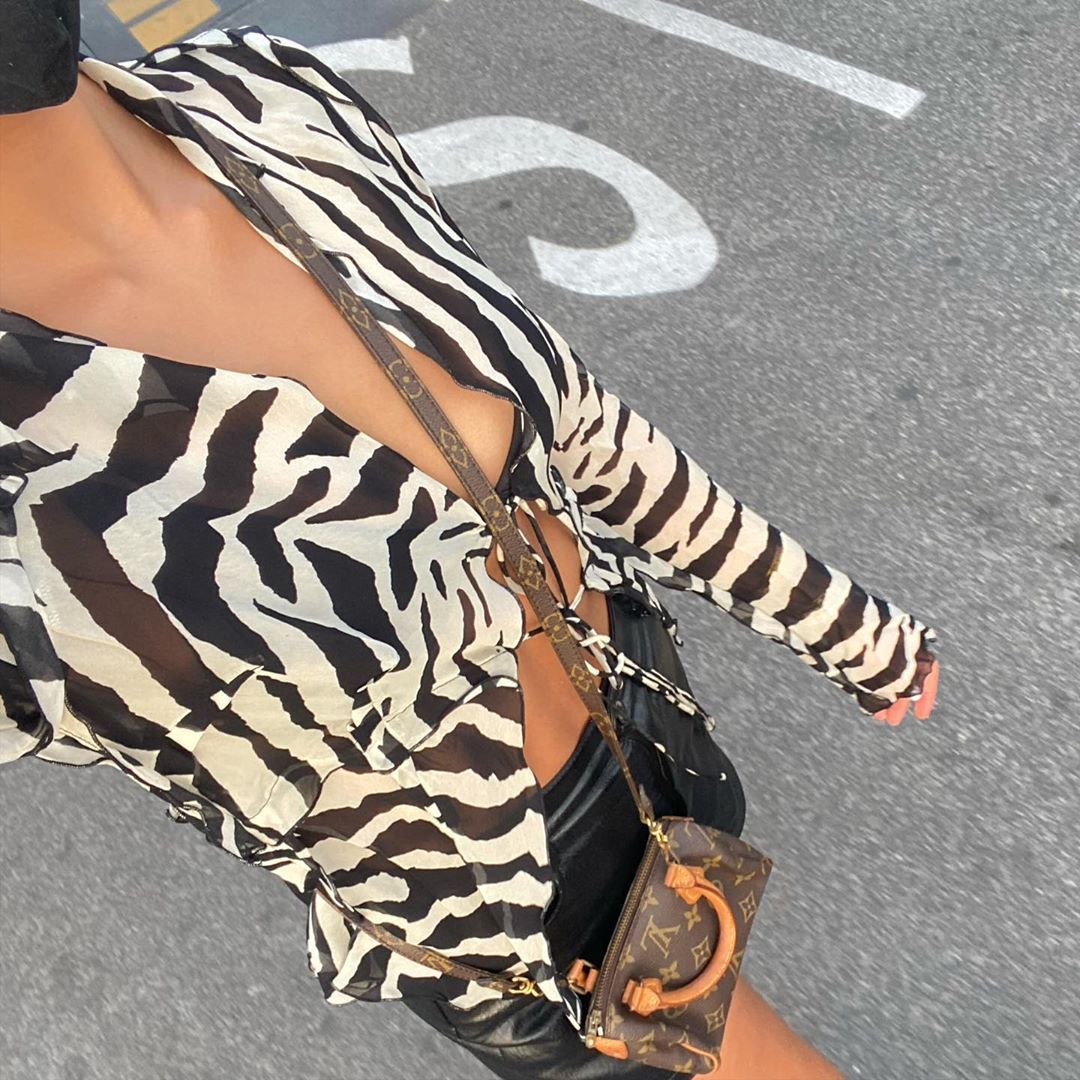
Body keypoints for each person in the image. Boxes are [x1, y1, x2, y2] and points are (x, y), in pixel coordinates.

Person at [0, 5, 940, 1078]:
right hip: (507, 914)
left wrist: (829, 615)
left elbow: (570, 413)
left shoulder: (260, 97)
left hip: (639, 702)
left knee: (730, 967)